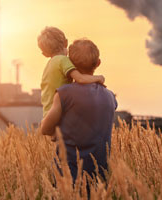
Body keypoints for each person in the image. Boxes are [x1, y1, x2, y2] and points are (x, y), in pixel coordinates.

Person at [41, 39, 117, 183]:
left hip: (67, 176)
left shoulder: (64, 94)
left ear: (70, 63)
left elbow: (45, 129)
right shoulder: (110, 97)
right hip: (99, 177)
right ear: (98, 63)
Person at [38, 27, 105, 117]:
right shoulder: (62, 60)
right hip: (58, 114)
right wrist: (99, 78)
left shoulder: (50, 65)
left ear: (44, 54)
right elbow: (80, 78)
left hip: (47, 114)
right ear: (66, 42)